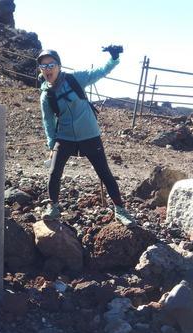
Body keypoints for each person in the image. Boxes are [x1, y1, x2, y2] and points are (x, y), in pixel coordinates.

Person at [37, 46, 136, 227]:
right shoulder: (46, 94)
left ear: (59, 66)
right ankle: (53, 207)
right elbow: (48, 122)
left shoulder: (75, 79)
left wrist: (113, 59)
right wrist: (52, 145)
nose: (47, 69)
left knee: (104, 173)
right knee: (54, 172)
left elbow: (99, 72)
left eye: (51, 65)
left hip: (89, 135)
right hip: (64, 137)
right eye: (43, 67)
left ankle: (120, 210)